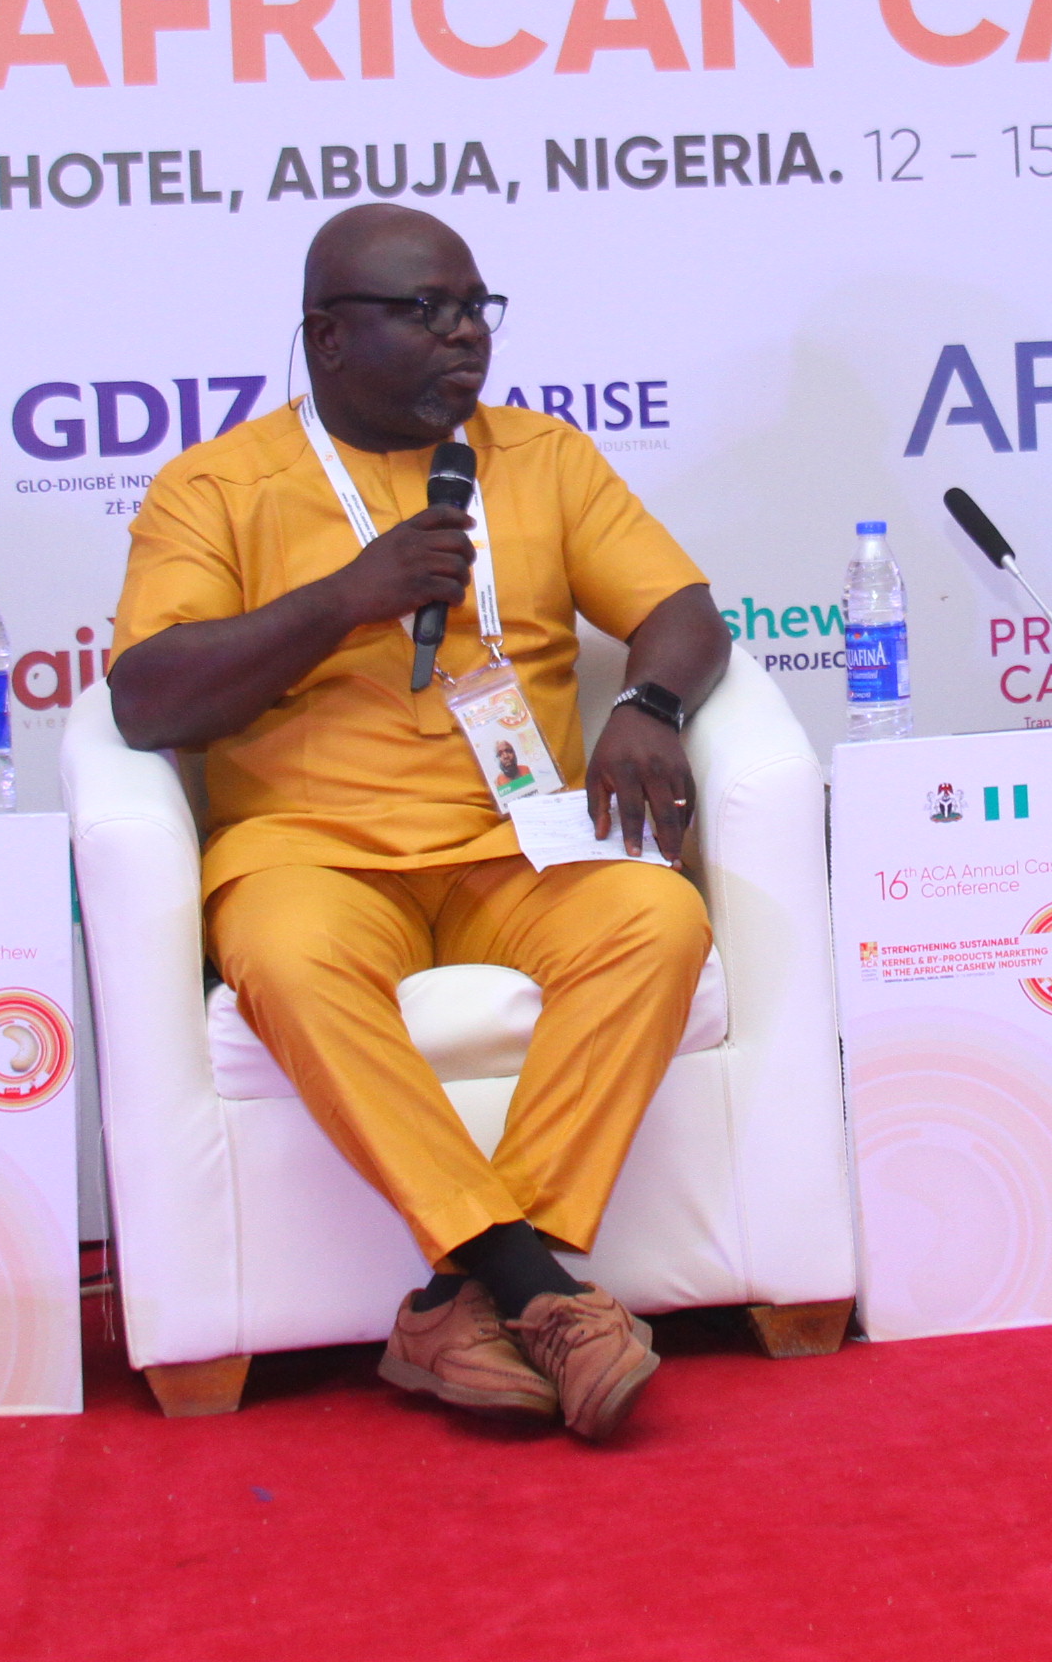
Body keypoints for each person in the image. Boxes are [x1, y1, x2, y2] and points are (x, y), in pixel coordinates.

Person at [109, 204, 728, 1438]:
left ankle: (471, 1302)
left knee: (657, 920)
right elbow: (149, 698)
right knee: (287, 959)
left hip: (519, 844)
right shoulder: (216, 486)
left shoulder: (542, 457)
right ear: (328, 337)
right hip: (314, 855)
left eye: (474, 307)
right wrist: (349, 596)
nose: (464, 335)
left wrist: (650, 703)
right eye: (425, 311)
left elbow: (684, 611)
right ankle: (530, 1283)